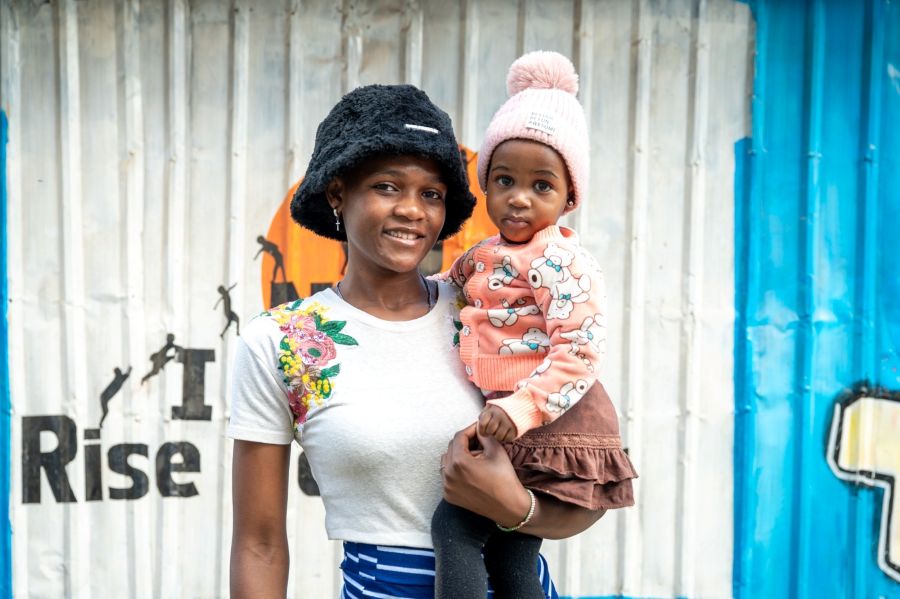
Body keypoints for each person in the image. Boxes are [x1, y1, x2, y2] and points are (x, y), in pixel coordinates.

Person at [228, 83, 605, 599]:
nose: (413, 210)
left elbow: (585, 478)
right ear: (338, 192)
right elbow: (260, 544)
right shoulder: (281, 343)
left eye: (431, 193)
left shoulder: (491, 314)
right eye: (387, 186)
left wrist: (515, 509)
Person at [431, 51, 637, 598]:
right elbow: (444, 288)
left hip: (550, 418)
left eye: (542, 186)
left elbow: (580, 352)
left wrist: (517, 408)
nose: (519, 197)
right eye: (504, 180)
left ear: (569, 196)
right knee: (512, 547)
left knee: (455, 527)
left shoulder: (562, 262)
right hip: (520, 420)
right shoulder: (484, 254)